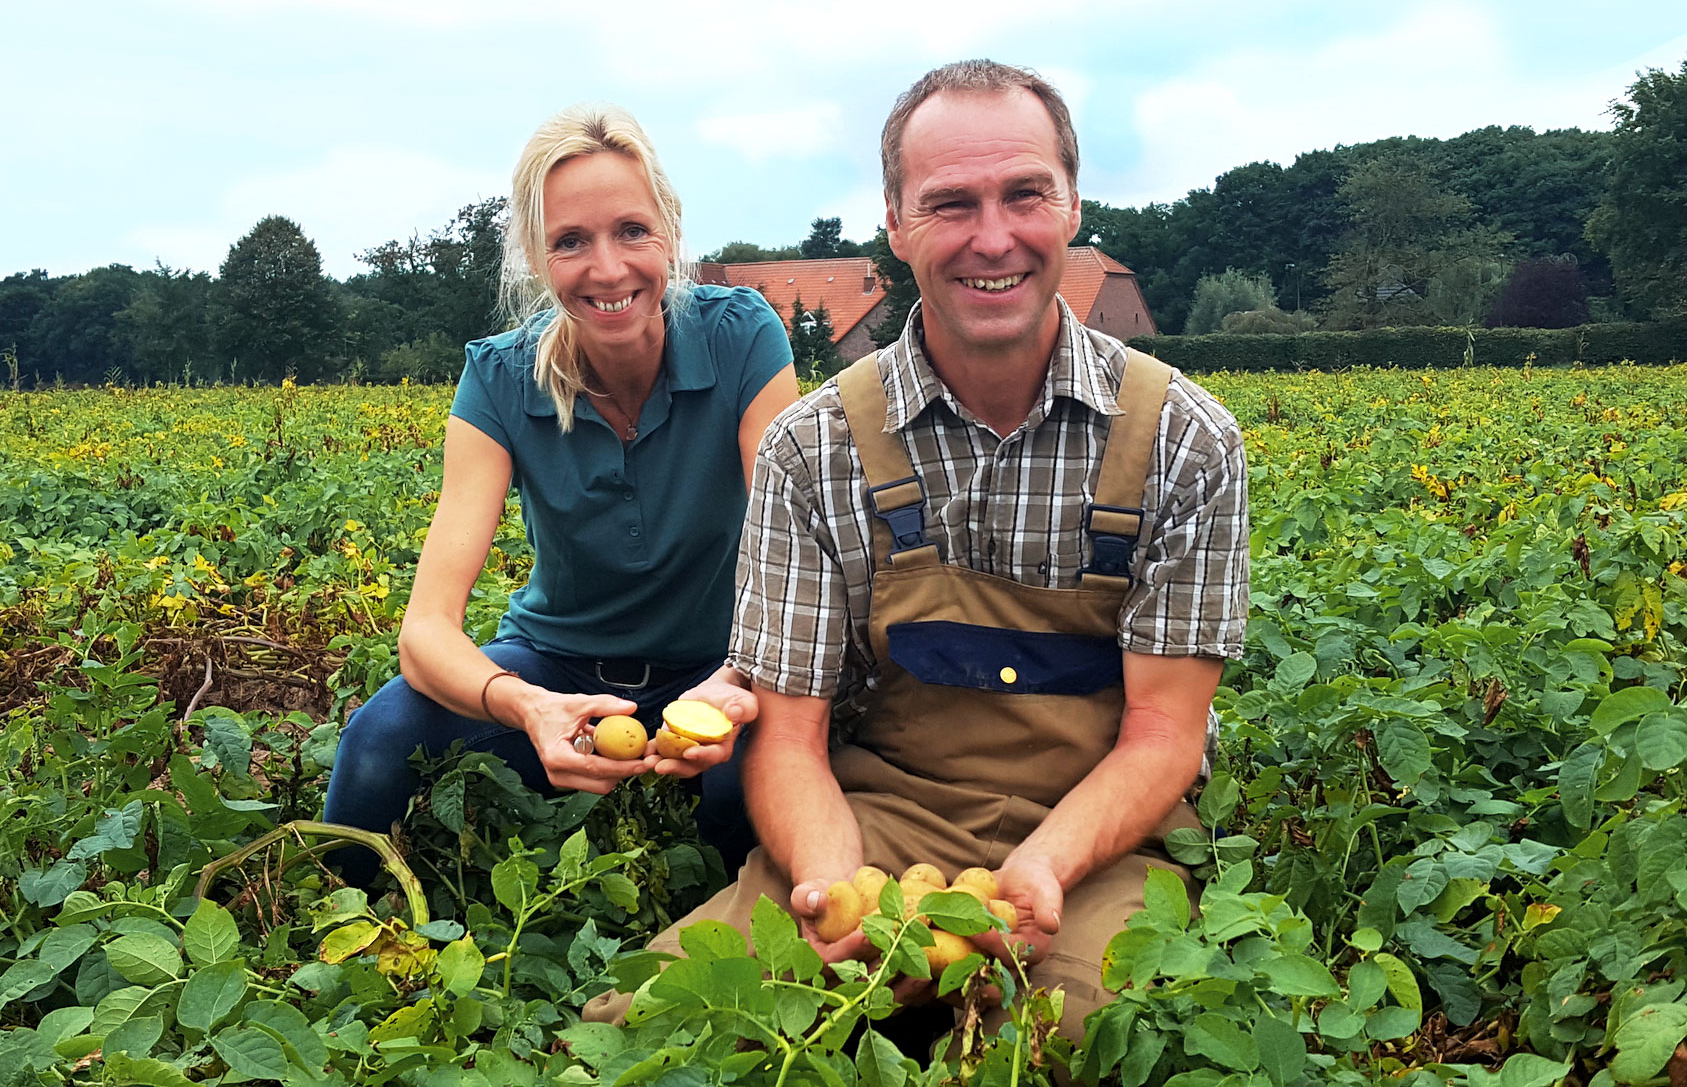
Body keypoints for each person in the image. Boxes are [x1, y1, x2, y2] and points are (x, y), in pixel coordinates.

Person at [588, 60, 1249, 1041]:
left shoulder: (1183, 440)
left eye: (1024, 193)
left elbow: (1161, 736)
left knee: (1074, 1037)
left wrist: (1043, 870)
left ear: (1070, 204)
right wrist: (827, 885)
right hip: (871, 821)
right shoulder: (813, 447)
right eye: (950, 204)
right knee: (656, 1027)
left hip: (1096, 844)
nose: (994, 236)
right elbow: (792, 736)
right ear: (896, 225)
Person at [322, 103, 801, 884]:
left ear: (671, 237)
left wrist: (739, 678)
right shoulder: (498, 378)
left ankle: (723, 950)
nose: (607, 269)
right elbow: (425, 633)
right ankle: (331, 930)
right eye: (571, 242)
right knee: (378, 740)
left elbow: (792, 564)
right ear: (538, 261)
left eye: (632, 231)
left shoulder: (741, 336)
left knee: (743, 786)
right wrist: (527, 705)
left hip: (722, 662)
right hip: (557, 661)